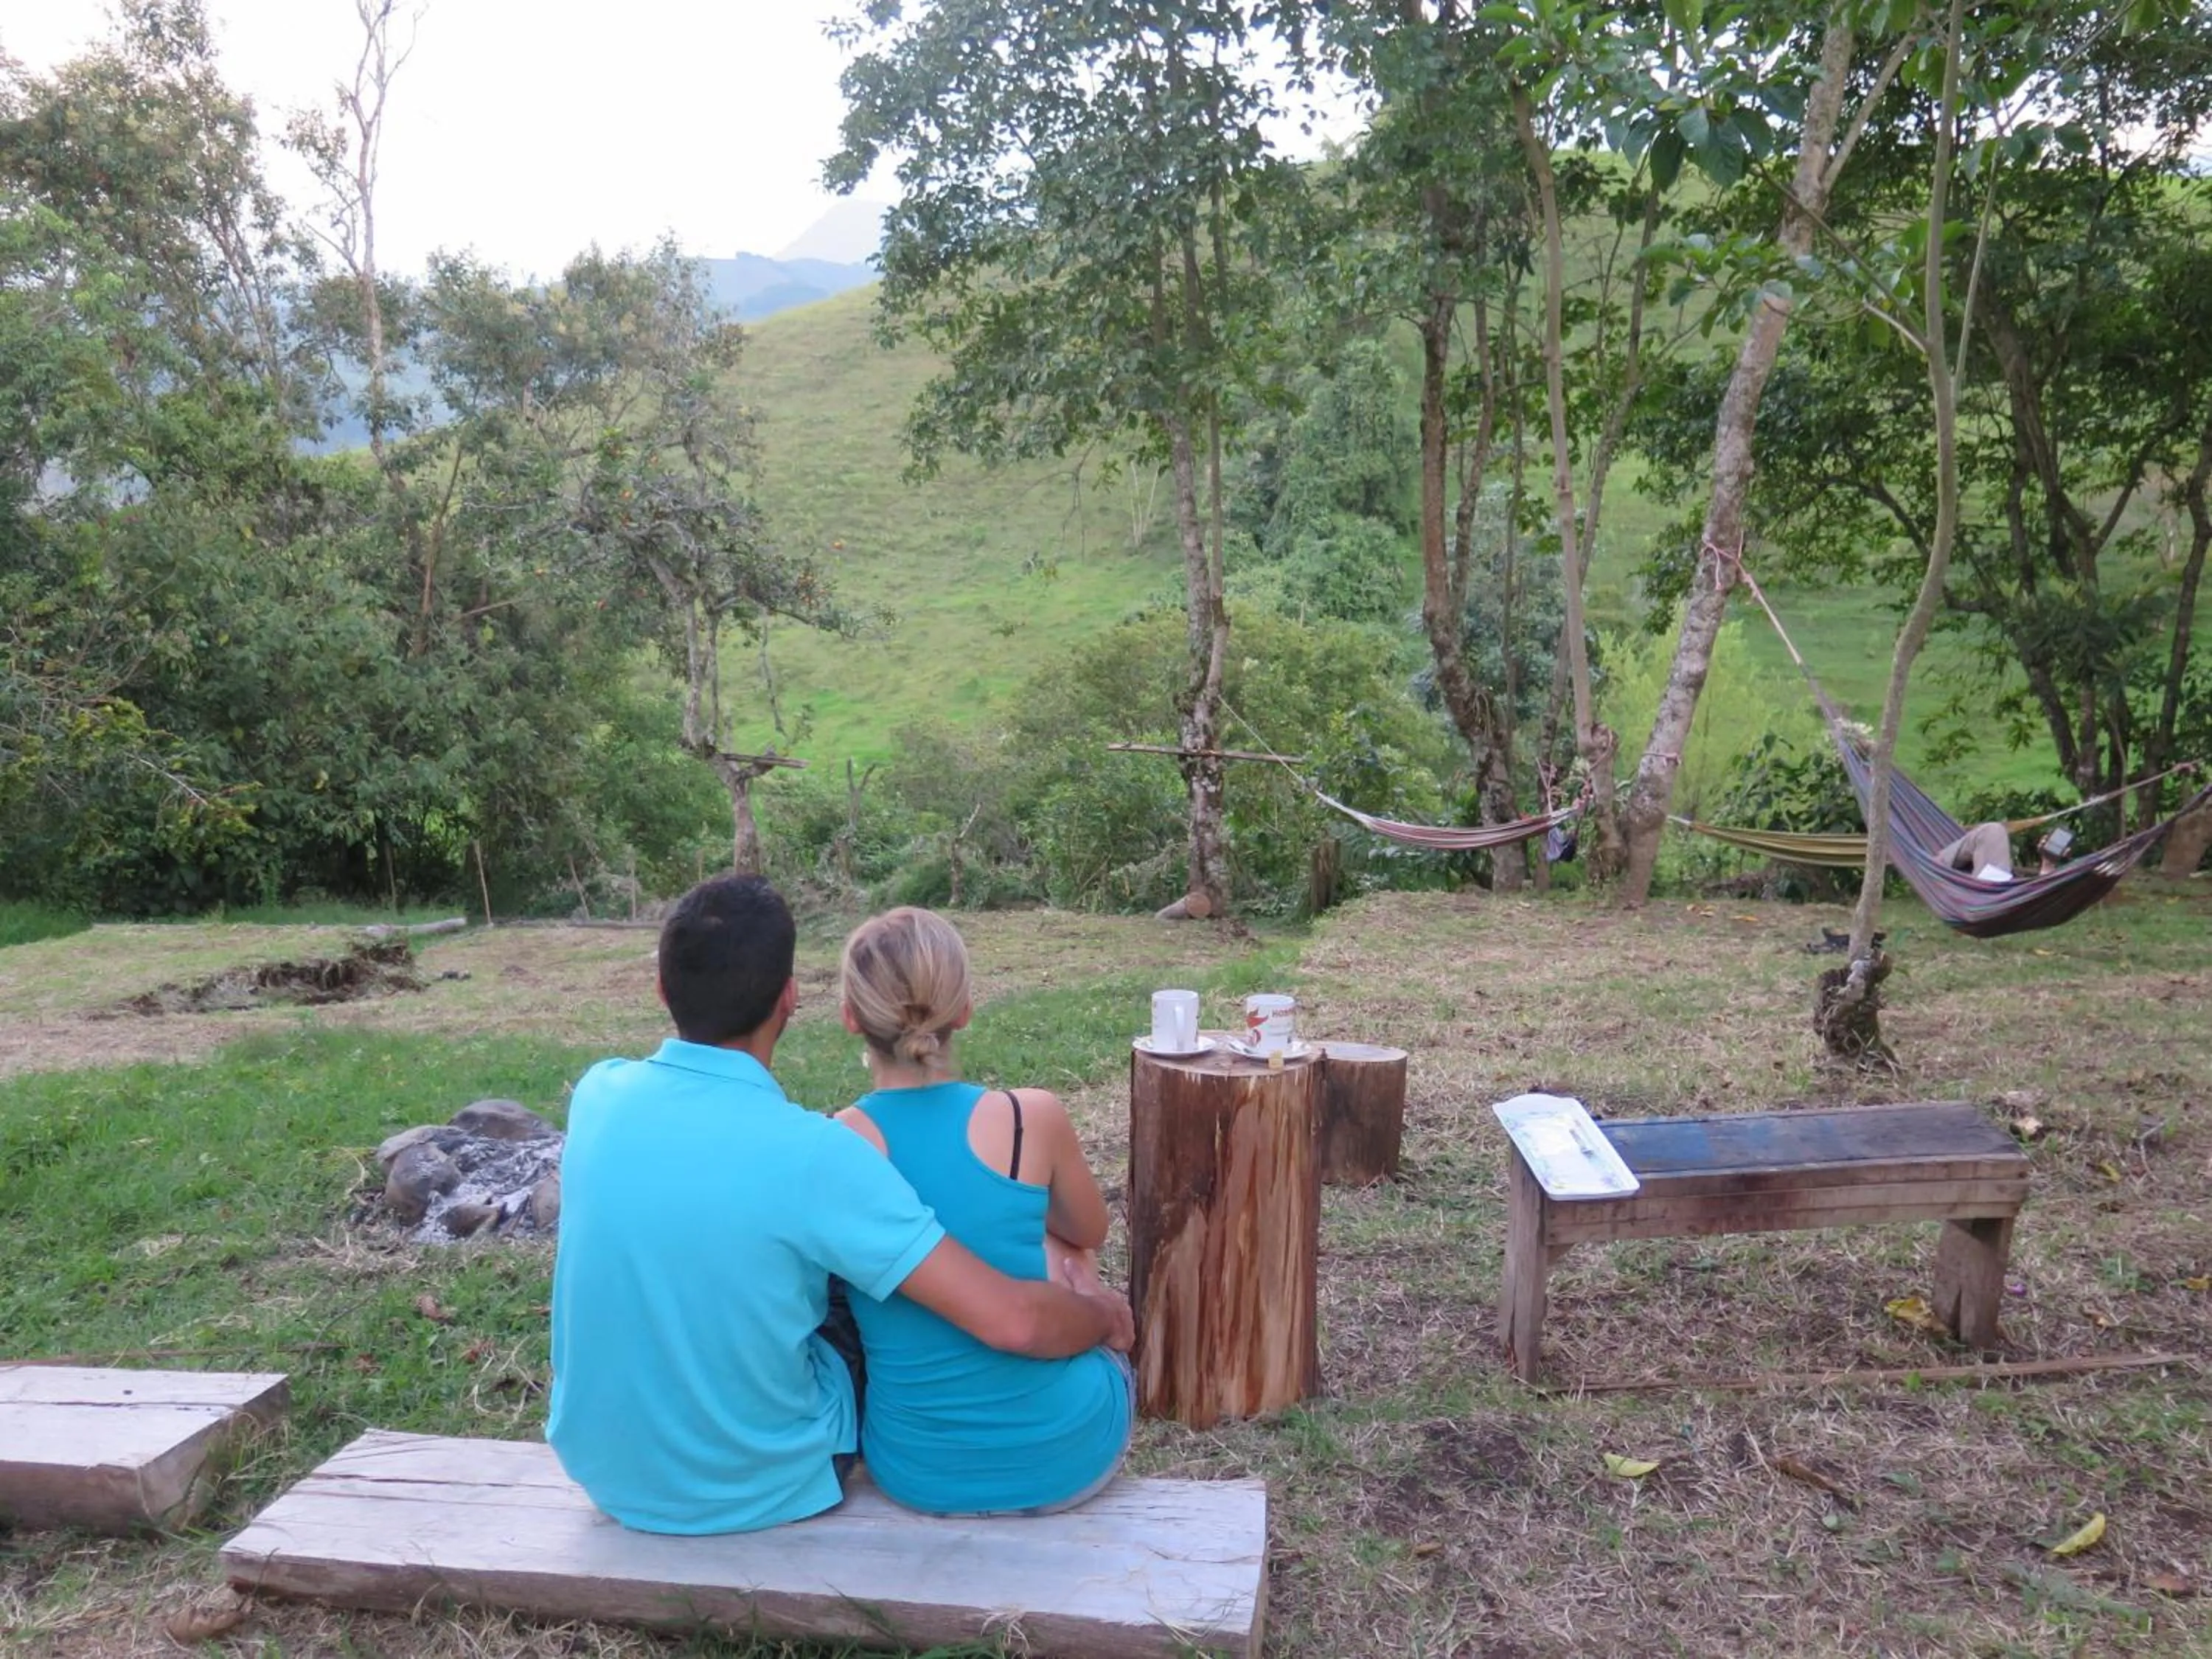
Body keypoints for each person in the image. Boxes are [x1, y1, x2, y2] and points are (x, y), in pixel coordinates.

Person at [547, 874, 1133, 1536]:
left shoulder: (597, 1093)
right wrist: (1102, 1312)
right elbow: (1013, 1323)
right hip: (767, 1480)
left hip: (603, 1470)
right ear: (790, 1000)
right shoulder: (816, 1153)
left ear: (661, 989)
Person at [833, 906, 1133, 1516]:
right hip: (1071, 1456)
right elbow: (1090, 1231)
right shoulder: (1030, 1117)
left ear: (850, 1017)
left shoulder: (836, 1145)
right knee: (1062, 1242)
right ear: (964, 1010)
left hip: (914, 1471)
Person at [1934, 822, 2064, 883]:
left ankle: (1934, 865)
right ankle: (1934, 865)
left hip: (1989, 892)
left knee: (1993, 830)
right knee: (1993, 831)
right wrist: (2047, 865)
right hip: (1999, 887)